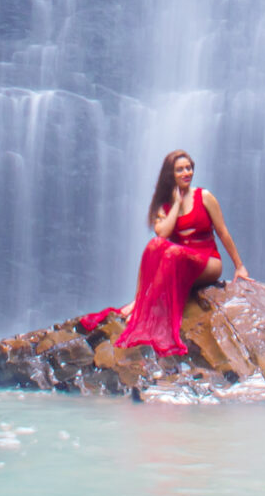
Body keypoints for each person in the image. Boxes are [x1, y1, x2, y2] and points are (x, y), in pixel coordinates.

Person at [84, 150, 250, 357]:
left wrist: (239, 265)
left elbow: (223, 232)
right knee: (155, 245)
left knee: (171, 252)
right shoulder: (163, 206)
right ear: (170, 175)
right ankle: (139, 300)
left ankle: (141, 306)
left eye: (188, 168)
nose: (186, 173)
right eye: (180, 170)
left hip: (208, 262)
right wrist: (177, 205)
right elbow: (163, 233)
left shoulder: (204, 197)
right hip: (177, 261)